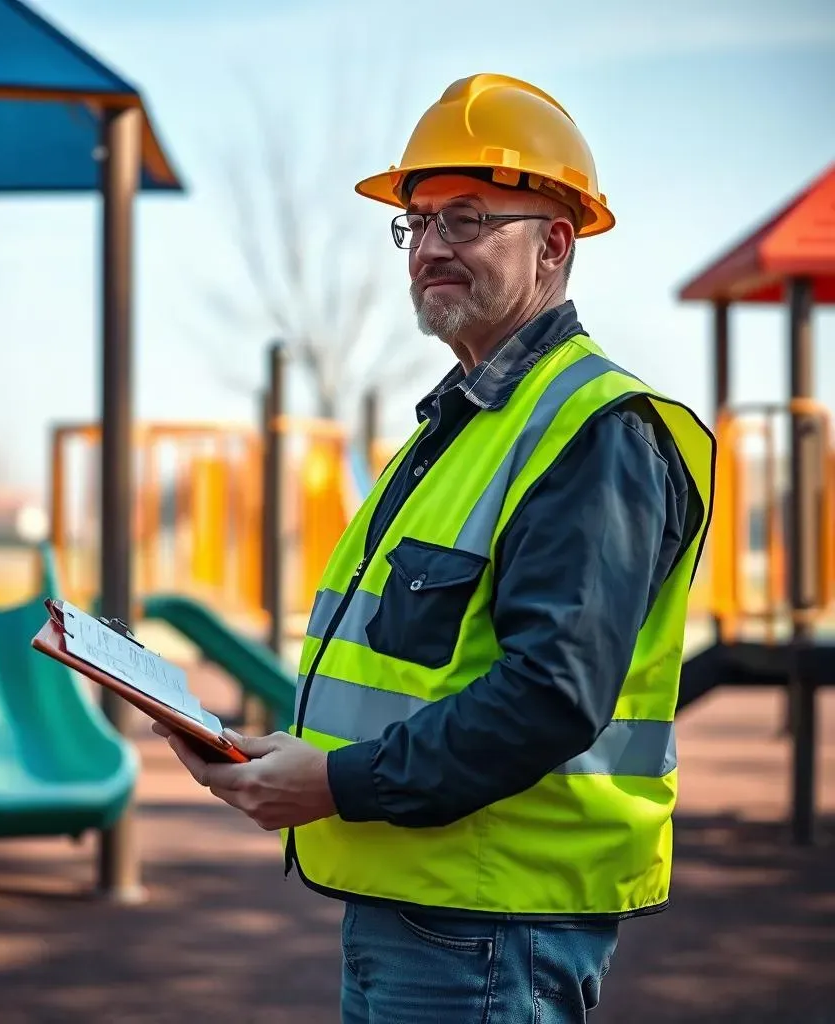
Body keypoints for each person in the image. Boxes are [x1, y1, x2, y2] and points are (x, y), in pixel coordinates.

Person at [156, 73, 716, 1022]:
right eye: (415, 224)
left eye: (466, 217)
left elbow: (549, 694)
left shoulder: (594, 431)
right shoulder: (457, 427)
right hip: (423, 903)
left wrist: (332, 781)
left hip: (494, 922)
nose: (431, 247)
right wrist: (304, 757)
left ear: (555, 243)